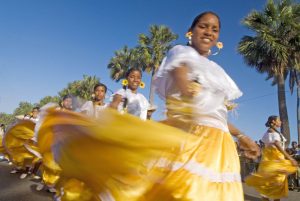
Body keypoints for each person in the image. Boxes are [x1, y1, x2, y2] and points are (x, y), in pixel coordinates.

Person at [37, 11, 260, 201]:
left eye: (214, 29)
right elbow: (181, 76)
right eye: (203, 26)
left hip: (222, 147)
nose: (209, 32)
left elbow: (216, 115)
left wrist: (242, 136)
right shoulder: (182, 53)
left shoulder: (216, 71)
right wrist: (187, 92)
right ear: (191, 31)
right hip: (192, 139)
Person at [245, 115, 298, 201]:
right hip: (273, 162)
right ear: (273, 122)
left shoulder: (274, 132)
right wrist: (290, 158)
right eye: (279, 120)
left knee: (273, 186)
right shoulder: (271, 132)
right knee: (271, 186)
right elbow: (277, 145)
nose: (281, 122)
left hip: (275, 161)